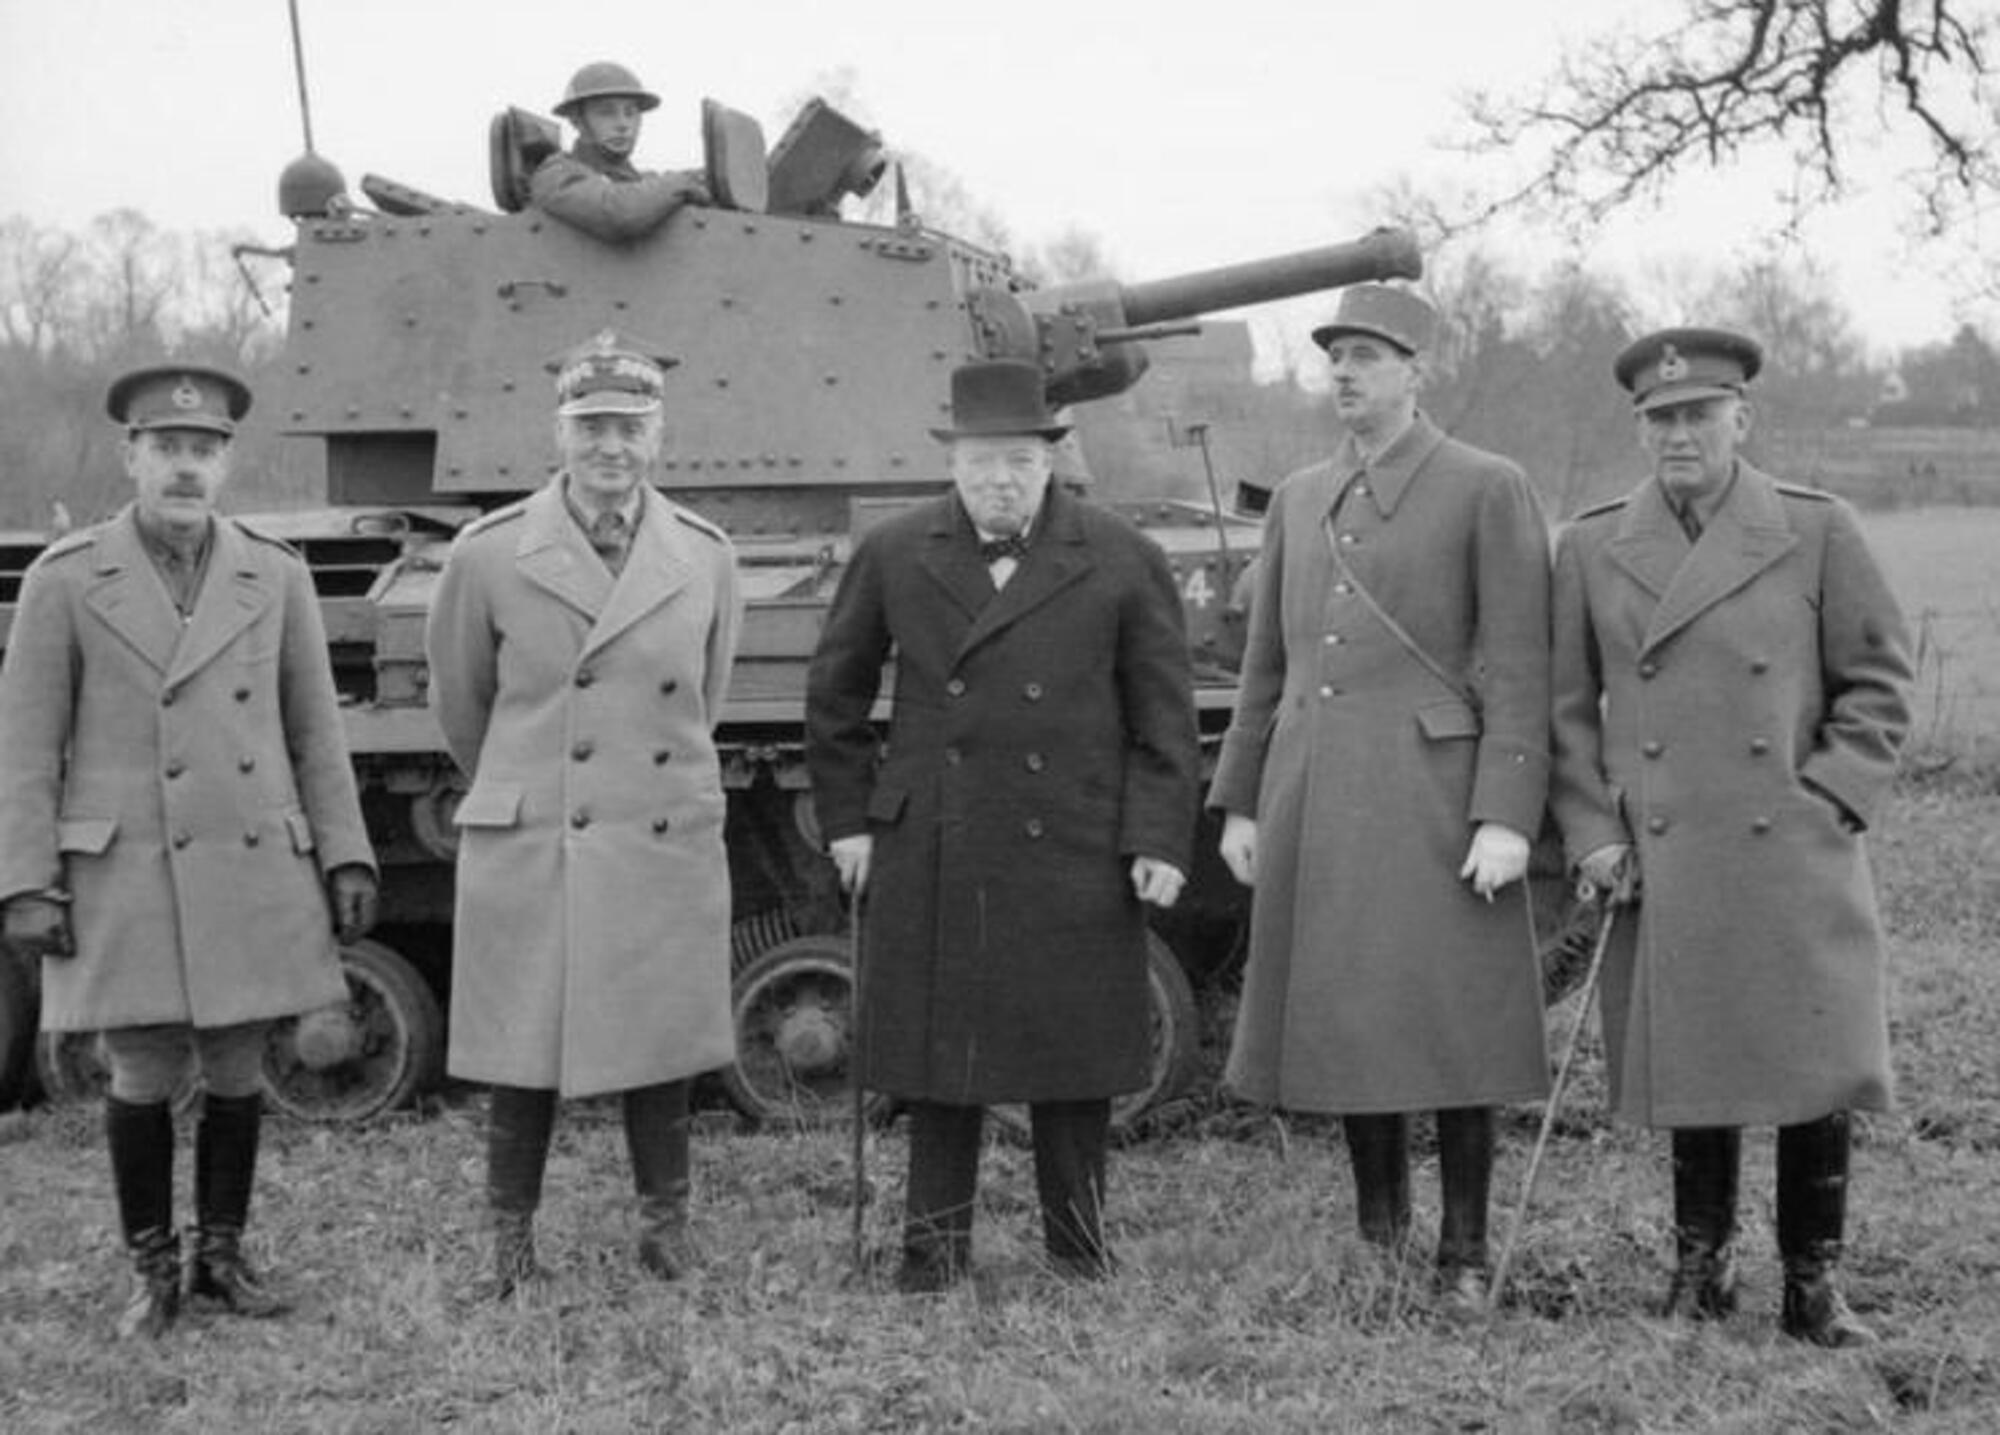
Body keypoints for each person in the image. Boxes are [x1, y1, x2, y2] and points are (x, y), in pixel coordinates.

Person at [1549, 328, 1913, 1346]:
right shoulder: (1587, 544)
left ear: (1738, 420)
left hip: (1789, 849)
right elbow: (1565, 713)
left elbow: (1877, 681)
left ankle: (1812, 1283)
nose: (1677, 434)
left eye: (1696, 415)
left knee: (1814, 1058)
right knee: (1693, 1056)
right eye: (1658, 419)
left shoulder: (1815, 528)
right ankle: (1697, 1269)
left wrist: (1831, 797)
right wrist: (1589, 832)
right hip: (1665, 852)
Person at [0, 364, 379, 1339]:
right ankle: (150, 1268)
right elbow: (26, 748)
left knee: (240, 1061)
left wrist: (345, 856)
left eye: (203, 452)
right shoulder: (67, 578)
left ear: (225, 464)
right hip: (126, 866)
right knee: (140, 1066)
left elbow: (314, 733)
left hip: (248, 859)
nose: (185, 468)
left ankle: (222, 1254)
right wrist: (26, 882)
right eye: (166, 449)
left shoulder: (276, 574)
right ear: (131, 456)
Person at [805, 358, 1199, 1292]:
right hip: (937, 837)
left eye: (1017, 462)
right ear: (954, 464)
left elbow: (1164, 717)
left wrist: (1158, 837)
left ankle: (1079, 1254)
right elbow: (835, 695)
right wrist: (851, 824)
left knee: (1071, 1062)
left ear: (1048, 463)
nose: (998, 481)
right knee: (944, 1062)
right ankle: (930, 1256)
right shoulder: (898, 551)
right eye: (981, 462)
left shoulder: (1120, 555)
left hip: (1077, 841)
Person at [1208, 285, 1553, 1309]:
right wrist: (1238, 800)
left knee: (1449, 1025)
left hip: (1434, 797)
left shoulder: (1485, 486)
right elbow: (1263, 665)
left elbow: (1523, 668)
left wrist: (1505, 811)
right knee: (1354, 1013)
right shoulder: (1304, 493)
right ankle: (1378, 1236)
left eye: (1366, 354)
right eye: (1335, 356)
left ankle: (1463, 1252)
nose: (1344, 372)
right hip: (1316, 792)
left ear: (1416, 369)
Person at [426, 329, 742, 1296]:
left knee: (663, 1039)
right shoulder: (488, 556)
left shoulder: (705, 555)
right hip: (541, 834)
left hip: (657, 828)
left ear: (660, 439)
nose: (613, 444)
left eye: (631, 426)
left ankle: (666, 1230)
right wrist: (542, 789)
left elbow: (705, 695)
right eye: (593, 425)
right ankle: (510, 1245)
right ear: (560, 435)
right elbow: (463, 705)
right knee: (520, 1046)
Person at [530, 61, 711, 242]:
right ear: (577, 121)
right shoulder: (554, 175)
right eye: (606, 113)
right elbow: (619, 213)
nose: (623, 124)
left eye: (630, 113)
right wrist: (681, 183)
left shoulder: (639, 183)